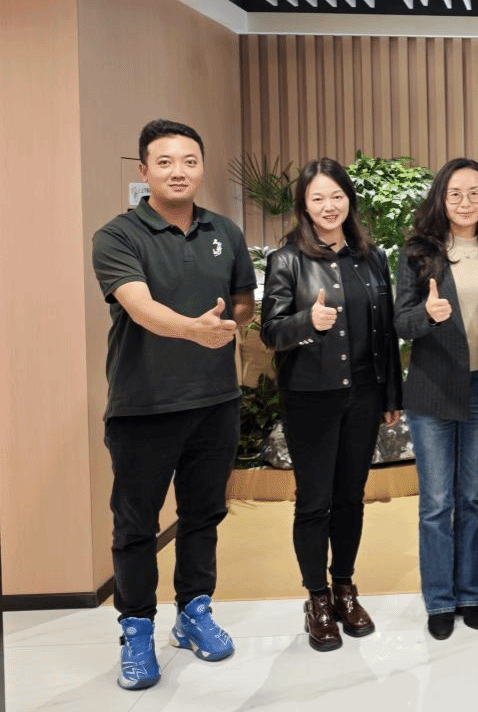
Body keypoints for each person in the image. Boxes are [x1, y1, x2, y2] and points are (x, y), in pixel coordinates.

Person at [92, 119, 256, 689]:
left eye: (189, 160)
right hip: (143, 407)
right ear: (145, 171)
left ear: (202, 167)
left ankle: (193, 612)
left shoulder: (225, 231)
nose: (178, 171)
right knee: (136, 525)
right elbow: (138, 306)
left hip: (215, 403)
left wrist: (229, 321)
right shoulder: (117, 236)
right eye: (164, 162)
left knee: (203, 516)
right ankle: (137, 628)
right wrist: (193, 329)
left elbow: (243, 301)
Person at [260, 158, 402, 652]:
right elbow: (270, 331)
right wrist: (307, 322)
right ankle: (317, 598)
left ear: (349, 200)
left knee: (350, 497)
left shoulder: (373, 258)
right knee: (314, 501)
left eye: (336, 196)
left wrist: (391, 395)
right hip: (310, 400)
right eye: (317, 198)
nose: (328, 206)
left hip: (364, 395)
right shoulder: (286, 260)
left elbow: (385, 332)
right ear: (304, 205)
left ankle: (344, 587)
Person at [395, 158, 478, 640]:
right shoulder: (418, 253)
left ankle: (469, 593)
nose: (466, 202)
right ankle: (440, 599)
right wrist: (427, 314)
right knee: (437, 502)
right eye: (456, 193)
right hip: (432, 391)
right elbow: (401, 323)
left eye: (475, 193)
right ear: (441, 198)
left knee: (471, 499)